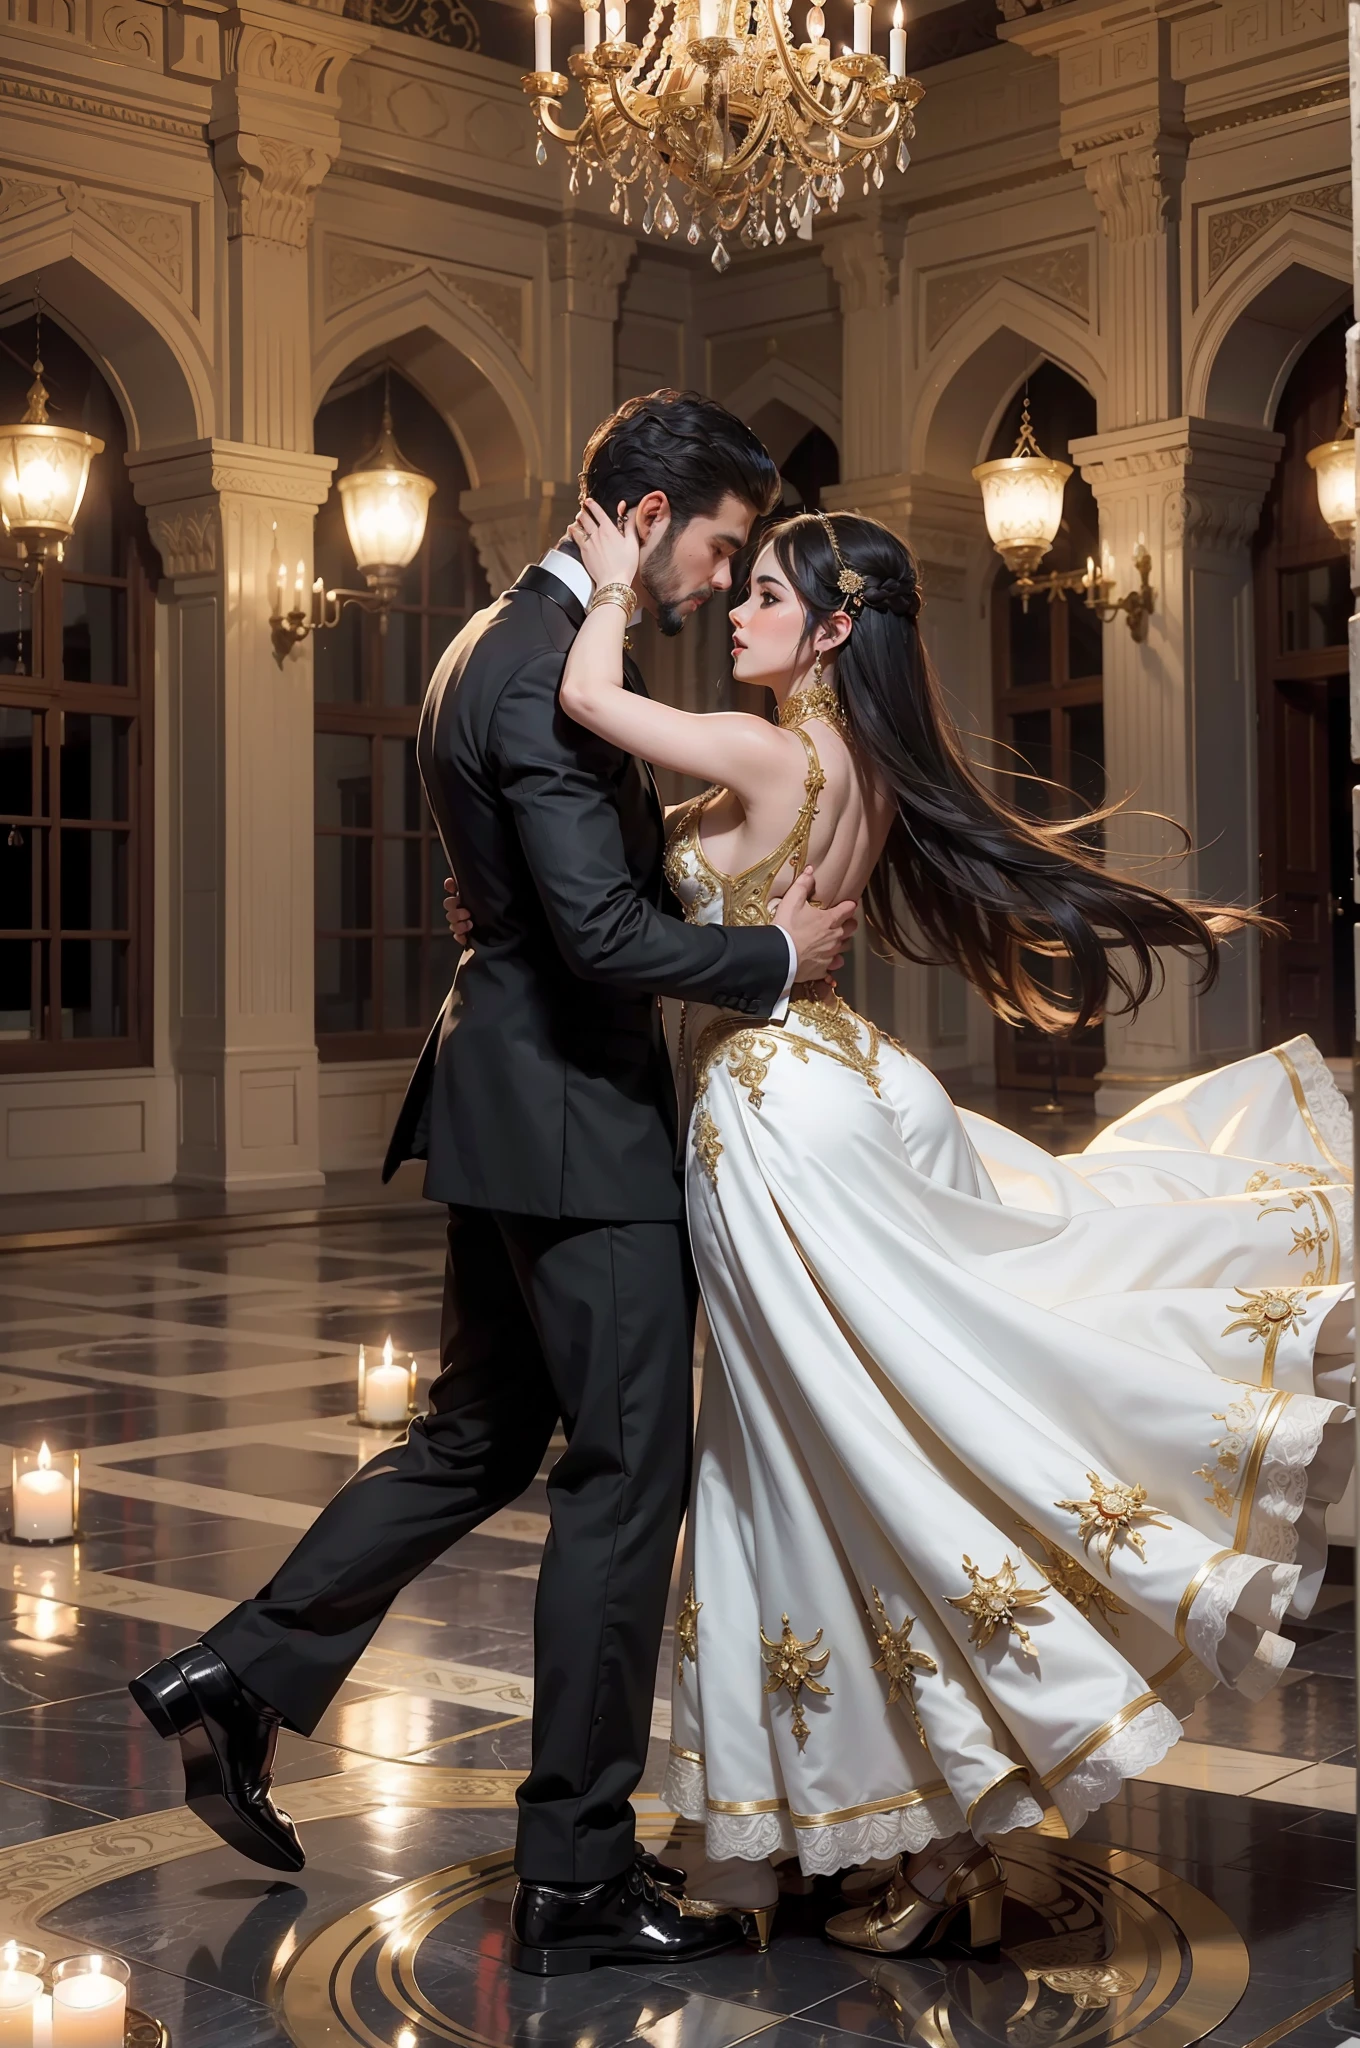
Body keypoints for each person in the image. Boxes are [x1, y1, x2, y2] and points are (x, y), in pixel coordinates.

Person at [552, 495, 1354, 1956]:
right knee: (851, 1449)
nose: (737, 612)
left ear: (835, 628)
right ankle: (827, 1827)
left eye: (771, 597)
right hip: (845, 1081)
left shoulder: (768, 747)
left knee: (810, 1463)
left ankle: (858, 1825)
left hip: (776, 1115)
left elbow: (588, 699)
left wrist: (606, 585)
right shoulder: (855, 759)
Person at [127, 393, 858, 1979]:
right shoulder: (543, 670)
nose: (725, 587)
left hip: (503, 1103)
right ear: (652, 520)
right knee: (623, 1477)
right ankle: (578, 1880)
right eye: (724, 549)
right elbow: (598, 940)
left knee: (475, 1436)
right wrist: (773, 957)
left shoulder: (485, 644)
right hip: (579, 1129)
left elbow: (543, 897)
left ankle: (236, 1678)